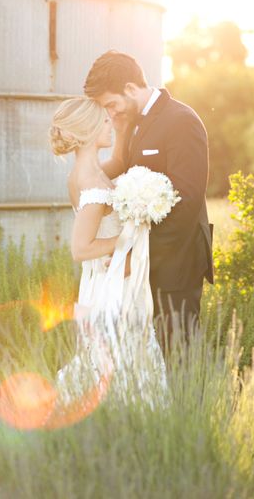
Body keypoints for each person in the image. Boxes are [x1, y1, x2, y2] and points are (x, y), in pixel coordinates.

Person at [83, 50, 214, 357]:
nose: (111, 114)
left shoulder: (182, 121)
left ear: (130, 88)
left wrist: (136, 256)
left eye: (112, 105)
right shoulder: (131, 124)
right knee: (149, 356)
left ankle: (188, 406)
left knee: (177, 352)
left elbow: (186, 202)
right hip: (145, 262)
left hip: (177, 262)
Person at [48, 96, 168, 405]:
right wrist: (128, 237)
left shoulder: (90, 172)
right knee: (119, 359)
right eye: (103, 121)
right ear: (87, 131)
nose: (109, 124)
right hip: (113, 287)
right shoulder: (93, 184)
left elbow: (117, 163)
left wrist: (126, 127)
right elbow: (80, 248)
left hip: (111, 280)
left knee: (119, 358)